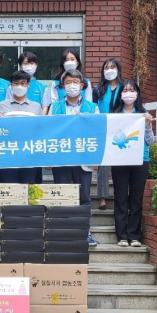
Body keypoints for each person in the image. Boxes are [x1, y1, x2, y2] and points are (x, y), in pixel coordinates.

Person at [48, 69, 100, 248]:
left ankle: (85, 232)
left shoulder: (92, 108)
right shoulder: (54, 108)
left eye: (75, 82)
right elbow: (49, 133)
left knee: (84, 196)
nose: (72, 85)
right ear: (62, 86)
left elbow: (97, 132)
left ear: (82, 85)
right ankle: (63, 232)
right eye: (68, 82)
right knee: (62, 195)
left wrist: (84, 120)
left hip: (83, 159)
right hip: (61, 158)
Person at [111, 79, 154, 247]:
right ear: (120, 94)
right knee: (121, 197)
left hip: (141, 159)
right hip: (120, 160)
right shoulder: (114, 114)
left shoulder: (143, 113)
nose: (128, 94)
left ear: (137, 94)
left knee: (136, 198)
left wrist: (148, 126)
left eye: (132, 90)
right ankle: (121, 235)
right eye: (125, 91)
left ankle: (134, 236)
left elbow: (150, 142)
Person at [0, 70, 43, 184]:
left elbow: (41, 130)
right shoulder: (1, 105)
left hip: (29, 155)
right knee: (10, 188)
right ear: (11, 85)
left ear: (28, 85)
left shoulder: (36, 106)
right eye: (16, 83)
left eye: (23, 83)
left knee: (29, 186)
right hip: (8, 155)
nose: (19, 86)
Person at [93, 58, 124, 210]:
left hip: (121, 129)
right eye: (106, 67)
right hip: (103, 128)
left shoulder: (125, 87)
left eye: (112, 67)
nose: (109, 70)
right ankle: (103, 197)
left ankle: (120, 196)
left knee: (120, 164)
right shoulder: (98, 89)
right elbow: (93, 108)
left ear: (118, 69)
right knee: (103, 164)